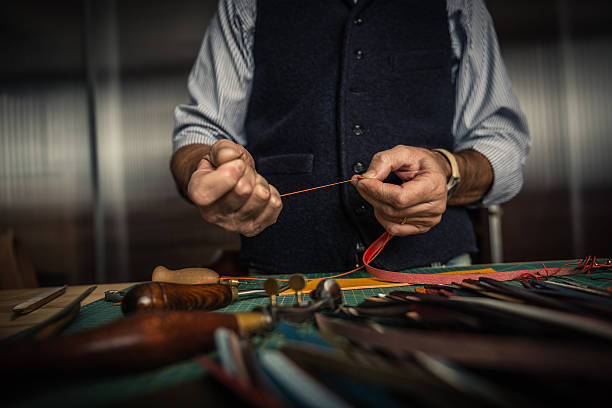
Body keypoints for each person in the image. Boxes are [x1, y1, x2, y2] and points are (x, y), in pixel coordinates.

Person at [171, 0, 530, 274]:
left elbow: (501, 142)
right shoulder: (244, 4)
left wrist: (450, 169)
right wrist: (200, 170)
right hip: (282, 282)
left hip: (437, 276)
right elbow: (201, 131)